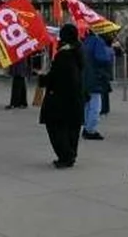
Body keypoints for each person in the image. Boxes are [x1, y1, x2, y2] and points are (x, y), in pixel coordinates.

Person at [40, 24, 85, 168]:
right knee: (72, 128)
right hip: (75, 97)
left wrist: (43, 79)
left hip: (60, 98)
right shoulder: (78, 51)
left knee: (56, 127)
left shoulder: (64, 54)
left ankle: (65, 155)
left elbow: (58, 77)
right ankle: (71, 154)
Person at [81, 30, 114, 140]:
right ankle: (91, 129)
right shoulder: (98, 41)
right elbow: (102, 59)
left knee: (87, 105)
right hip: (96, 77)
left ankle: (86, 127)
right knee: (95, 105)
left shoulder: (85, 41)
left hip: (86, 77)